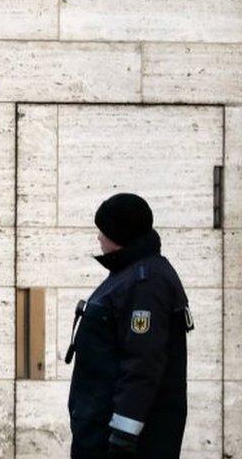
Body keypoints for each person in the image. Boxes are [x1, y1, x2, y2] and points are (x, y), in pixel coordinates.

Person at [66, 193, 193, 458]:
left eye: (104, 231)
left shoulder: (145, 283)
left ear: (120, 234)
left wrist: (122, 437)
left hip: (123, 443)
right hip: (100, 431)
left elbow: (142, 364)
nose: (98, 237)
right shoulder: (129, 274)